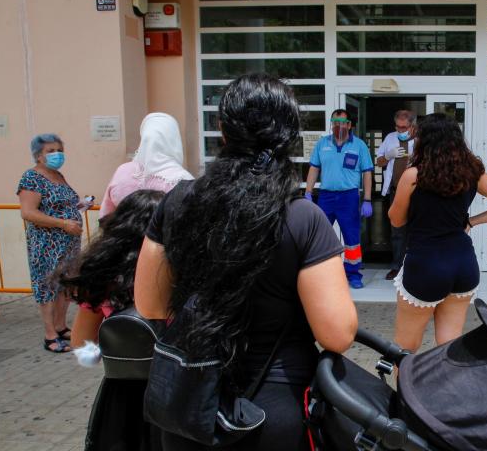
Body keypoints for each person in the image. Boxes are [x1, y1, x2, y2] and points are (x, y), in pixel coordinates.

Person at [134, 74, 358, 450]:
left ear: (222, 129)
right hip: (275, 410)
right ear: (289, 136)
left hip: (192, 408)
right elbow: (336, 334)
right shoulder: (302, 218)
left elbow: (150, 305)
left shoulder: (176, 202)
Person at [388, 113, 487, 352]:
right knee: (450, 342)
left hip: (426, 264)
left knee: (404, 348)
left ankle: (403, 390)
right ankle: (449, 388)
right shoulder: (472, 172)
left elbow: (396, 220)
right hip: (463, 263)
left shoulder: (413, 175)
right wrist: (470, 221)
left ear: (424, 140)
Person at [55, 189, 164, 450]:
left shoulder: (103, 278)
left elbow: (82, 345)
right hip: (173, 384)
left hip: (122, 389)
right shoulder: (178, 272)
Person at [17, 133, 85, 354]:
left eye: (59, 150)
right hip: (46, 244)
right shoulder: (31, 178)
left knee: (65, 285)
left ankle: (61, 326)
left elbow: (62, 203)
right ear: (38, 156)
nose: (57, 154)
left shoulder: (58, 175)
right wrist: (62, 223)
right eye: (51, 151)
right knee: (46, 287)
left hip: (68, 243)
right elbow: (28, 212)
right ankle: (50, 335)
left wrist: (80, 206)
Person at [304, 108, 374, 289]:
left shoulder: (359, 146)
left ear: (350, 125)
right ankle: (322, 273)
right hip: (326, 197)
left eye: (342, 122)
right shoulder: (322, 144)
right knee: (320, 236)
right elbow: (314, 168)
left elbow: (367, 172)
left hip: (348, 197)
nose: (339, 125)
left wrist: (367, 199)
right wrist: (308, 192)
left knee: (352, 238)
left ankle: (353, 274)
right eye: (335, 122)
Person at [99, 112, 193, 217]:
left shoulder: (123, 171)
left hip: (122, 232)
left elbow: (105, 214)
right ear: (174, 139)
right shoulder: (182, 179)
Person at [374, 109, 416, 280]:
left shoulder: (421, 138)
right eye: (398, 127)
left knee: (416, 229)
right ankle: (397, 266)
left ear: (412, 125)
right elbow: (378, 162)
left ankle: (414, 267)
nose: (400, 131)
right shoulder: (390, 138)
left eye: (403, 127)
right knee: (397, 230)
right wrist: (389, 156)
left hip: (416, 191)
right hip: (395, 191)